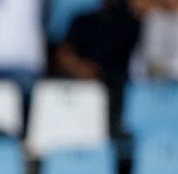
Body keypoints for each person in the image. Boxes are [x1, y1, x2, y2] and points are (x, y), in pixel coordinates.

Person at [57, 0, 142, 133]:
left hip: (117, 89)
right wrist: (82, 70)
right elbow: (64, 54)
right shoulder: (82, 21)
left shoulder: (132, 24)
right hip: (81, 83)